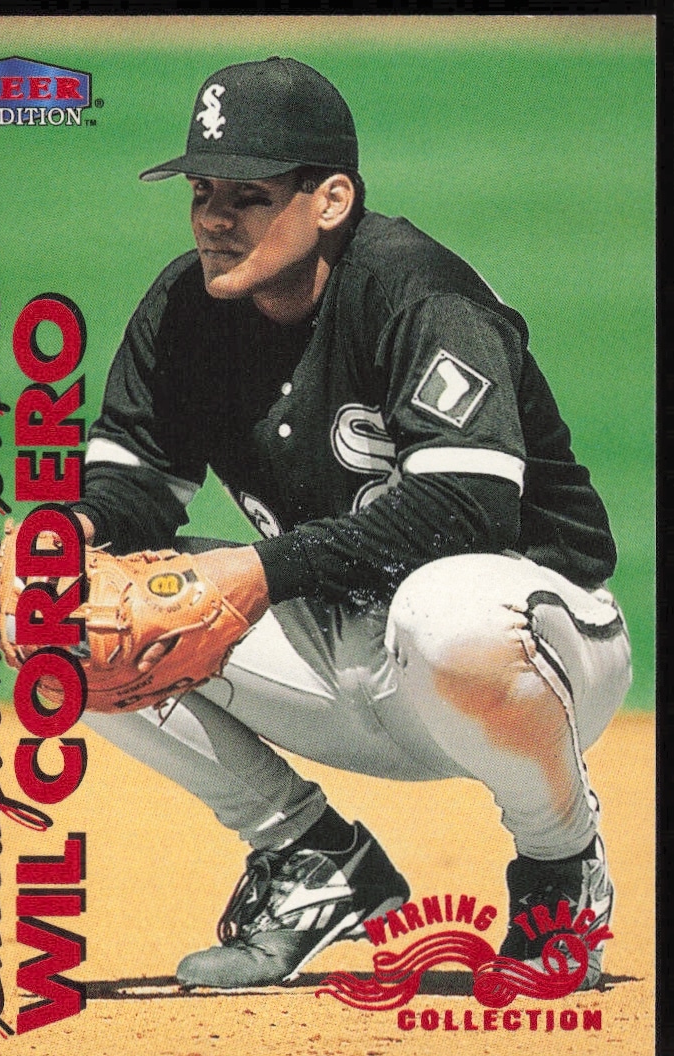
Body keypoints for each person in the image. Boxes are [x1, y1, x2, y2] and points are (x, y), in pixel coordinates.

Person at [68, 56, 631, 990]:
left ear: (330, 199)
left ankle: (560, 865)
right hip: (338, 658)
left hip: (532, 653)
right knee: (64, 609)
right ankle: (308, 859)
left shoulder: (417, 291)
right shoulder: (185, 308)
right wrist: (76, 531)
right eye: (202, 193)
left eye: (247, 196)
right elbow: (136, 484)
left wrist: (253, 572)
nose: (213, 219)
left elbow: (466, 507)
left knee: (447, 609)